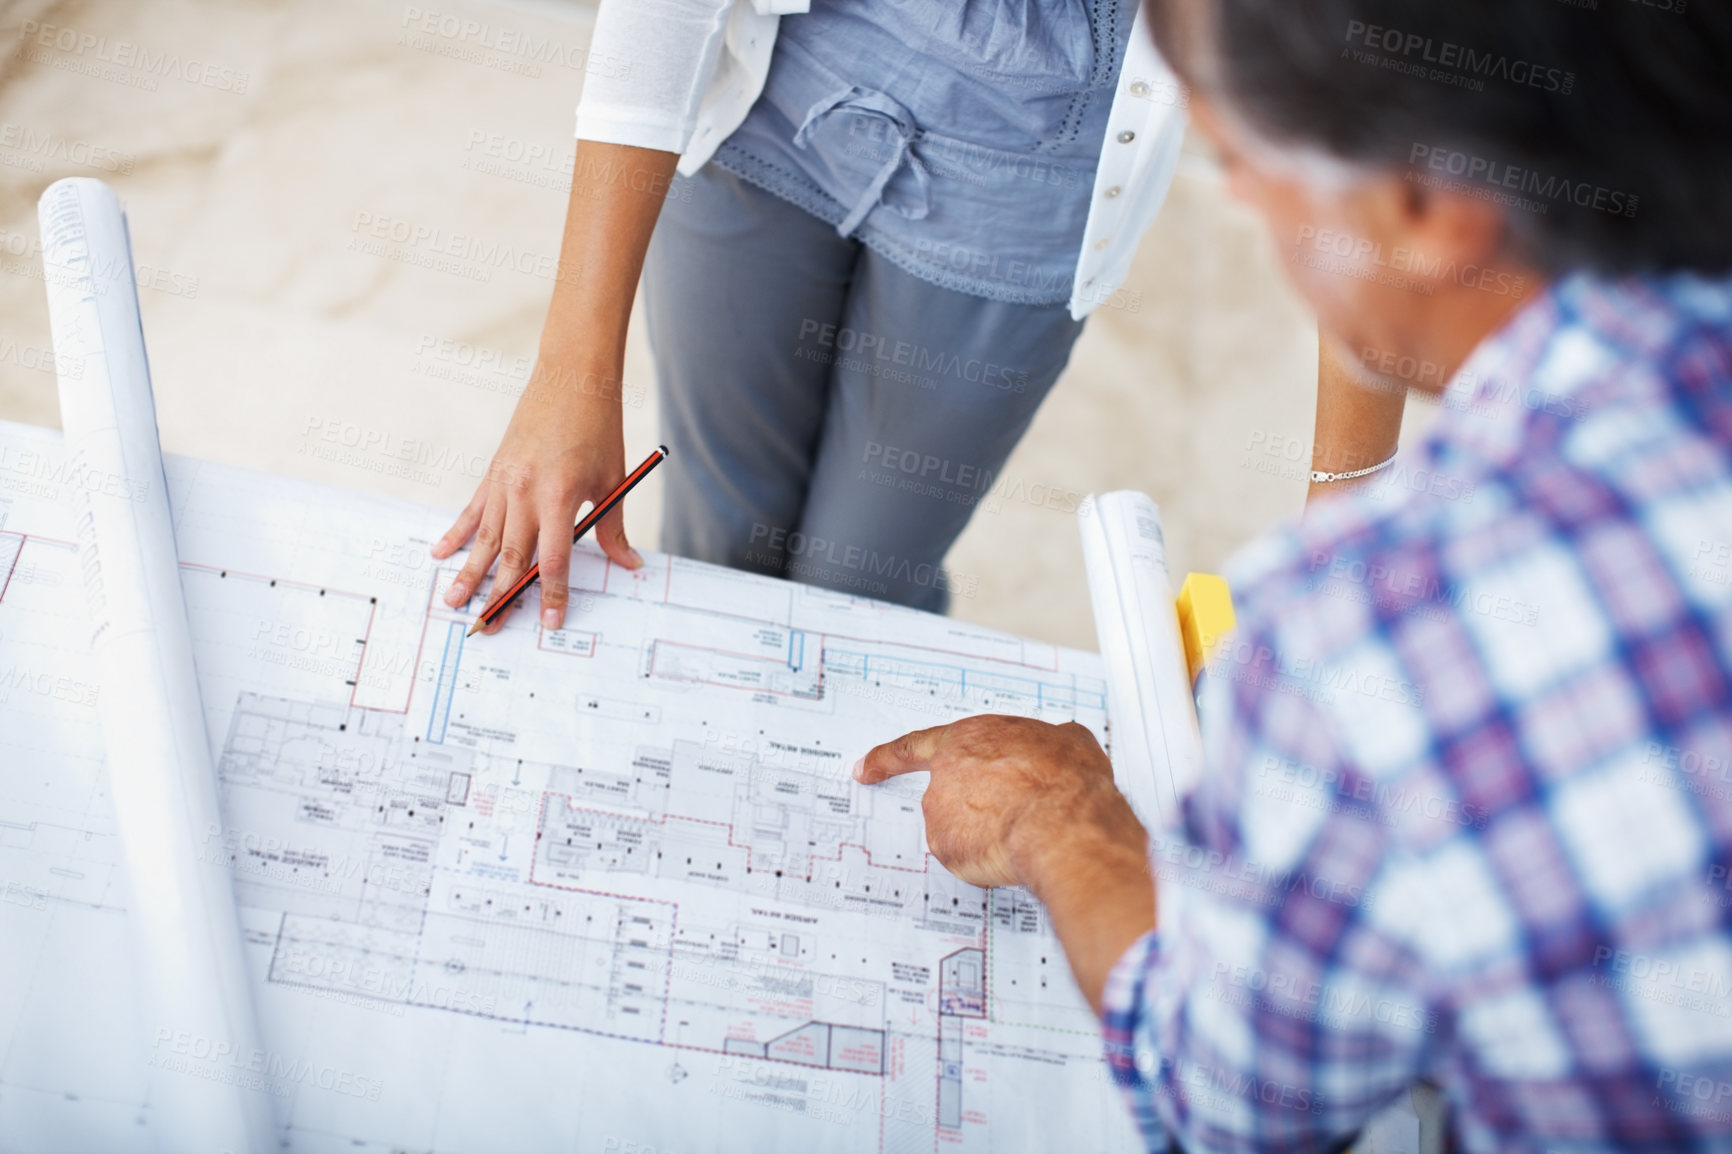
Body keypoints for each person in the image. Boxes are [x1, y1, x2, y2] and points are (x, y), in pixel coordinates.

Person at [856, 0, 1732, 1149]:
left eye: (1246, 163)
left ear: (1423, 208)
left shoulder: (1366, 638)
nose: (1240, 202)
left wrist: (1061, 817)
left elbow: (1233, 1104)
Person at [429, 0, 1403, 630]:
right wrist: (570, 371)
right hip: (775, 96)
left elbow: (1365, 137)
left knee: (858, 593)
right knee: (720, 540)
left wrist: (1347, 514)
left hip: (1027, 169)